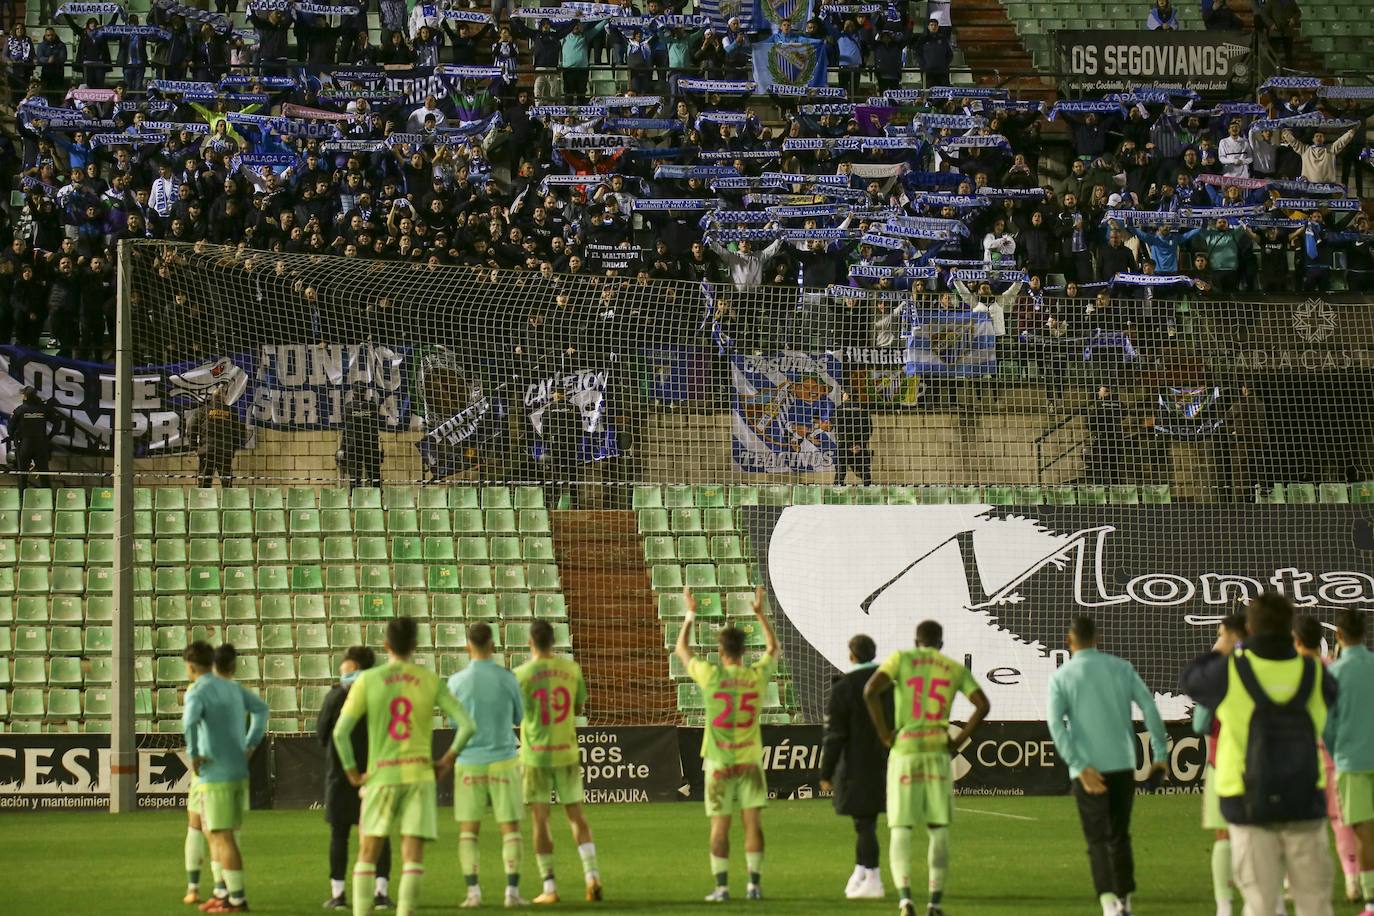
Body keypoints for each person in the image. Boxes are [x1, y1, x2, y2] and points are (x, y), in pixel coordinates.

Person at [1180, 593, 1338, 916]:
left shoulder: (1229, 672)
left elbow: (1191, 681)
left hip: (1247, 800)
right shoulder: (1317, 674)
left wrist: (1224, 647)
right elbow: (1334, 703)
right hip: (1304, 800)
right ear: (1289, 628)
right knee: (1315, 904)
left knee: (1260, 905)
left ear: (1250, 627)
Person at [333, 617, 477, 916]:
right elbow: (466, 725)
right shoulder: (429, 680)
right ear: (414, 645)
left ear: (386, 646)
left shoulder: (367, 681)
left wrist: (352, 772)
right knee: (412, 857)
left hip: (380, 777)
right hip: (419, 777)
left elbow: (339, 732)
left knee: (367, 853)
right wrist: (446, 761)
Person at [863, 620, 990, 916]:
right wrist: (957, 740)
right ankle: (934, 902)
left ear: (915, 641)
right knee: (938, 828)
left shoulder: (901, 659)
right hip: (936, 750)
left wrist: (884, 734)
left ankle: (905, 899)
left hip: (905, 750)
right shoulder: (953, 667)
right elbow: (982, 705)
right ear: (941, 644)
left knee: (901, 828)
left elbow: (870, 691)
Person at [1048, 616, 1168, 916]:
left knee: (1096, 839)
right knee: (1119, 834)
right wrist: (1160, 755)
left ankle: (1108, 904)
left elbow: (1056, 726)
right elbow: (1150, 708)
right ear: (1097, 638)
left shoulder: (1060, 677)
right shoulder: (1120, 668)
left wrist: (1078, 764)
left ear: (1069, 641)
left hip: (1087, 770)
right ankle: (1125, 899)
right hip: (1122, 765)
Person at [676, 585, 779, 903]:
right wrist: (761, 614)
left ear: (721, 653)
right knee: (753, 824)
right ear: (744, 652)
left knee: (719, 827)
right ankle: (754, 885)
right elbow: (774, 649)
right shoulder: (755, 677)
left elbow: (682, 650)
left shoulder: (711, 675)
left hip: (720, 763)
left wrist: (690, 612)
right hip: (748, 761)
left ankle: (721, 888)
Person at [514, 620, 602, 904]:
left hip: (536, 753)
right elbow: (577, 707)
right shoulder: (571, 669)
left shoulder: (522, 674)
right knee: (576, 815)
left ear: (530, 642)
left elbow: (517, 713)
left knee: (541, 819)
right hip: (566, 749)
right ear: (554, 641)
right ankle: (592, 876)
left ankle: (550, 887)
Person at [181, 641, 269, 913]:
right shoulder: (233, 688)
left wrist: (194, 753)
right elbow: (262, 710)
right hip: (238, 772)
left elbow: (189, 722)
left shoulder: (197, 690)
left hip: (214, 774)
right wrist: (250, 744)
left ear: (192, 667)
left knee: (220, 836)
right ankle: (224, 894)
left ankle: (237, 899)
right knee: (222, 833)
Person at [447, 621, 527, 909]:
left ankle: (473, 893)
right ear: (492, 645)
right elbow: (519, 717)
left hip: (469, 762)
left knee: (469, 831)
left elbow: (454, 723)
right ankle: (512, 892)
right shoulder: (508, 679)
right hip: (504, 759)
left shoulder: (455, 682)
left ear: (468, 645)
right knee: (510, 829)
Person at [316, 645, 393, 911]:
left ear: (354, 667)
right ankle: (381, 892)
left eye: (345, 666)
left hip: (341, 775)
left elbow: (323, 733)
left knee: (339, 835)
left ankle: (338, 894)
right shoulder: (380, 695)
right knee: (378, 833)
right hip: (374, 774)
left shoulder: (336, 697)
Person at [1294, 616, 1362, 904]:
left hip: (1298, 759)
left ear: (1296, 641)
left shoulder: (1289, 673)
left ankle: (1294, 882)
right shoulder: (1332, 671)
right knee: (1340, 821)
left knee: (1298, 823)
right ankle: (1352, 878)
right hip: (1330, 755)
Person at [819, 634, 892, 900]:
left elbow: (835, 735)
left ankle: (873, 878)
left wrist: (825, 773)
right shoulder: (889, 685)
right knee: (865, 821)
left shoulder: (844, 688)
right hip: (886, 763)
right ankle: (862, 870)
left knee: (864, 823)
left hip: (856, 765)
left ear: (851, 656)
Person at [1191, 614, 1248, 916]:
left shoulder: (1218, 674)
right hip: (1264, 763)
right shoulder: (1263, 666)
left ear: (1227, 633)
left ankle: (1224, 906)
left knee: (1224, 835)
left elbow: (1200, 723)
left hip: (1222, 762)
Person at [1325, 608, 1374, 915]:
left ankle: (1370, 901)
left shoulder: (1335, 673)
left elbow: (1327, 725)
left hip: (1351, 762)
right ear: (1365, 635)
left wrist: (1336, 751)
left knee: (1363, 832)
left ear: (1339, 636)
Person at [7, 385, 68, 496]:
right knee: (44, 475)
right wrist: (49, 437)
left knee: (22, 476)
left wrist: (14, 437)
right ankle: (47, 501)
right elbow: (57, 422)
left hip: (25, 445)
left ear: (25, 396)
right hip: (41, 445)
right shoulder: (43, 408)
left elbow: (10, 428)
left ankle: (22, 502)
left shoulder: (20, 410)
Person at [186, 388, 245, 489]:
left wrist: (195, 447)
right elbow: (239, 432)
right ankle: (227, 503)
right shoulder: (231, 412)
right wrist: (233, 448)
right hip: (225, 452)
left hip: (207, 451)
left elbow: (191, 429)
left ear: (211, 398)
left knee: (205, 481)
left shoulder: (202, 410)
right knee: (226, 481)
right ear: (223, 397)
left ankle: (204, 503)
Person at [338, 383, 383, 490]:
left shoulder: (348, 406)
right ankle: (377, 501)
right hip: (370, 445)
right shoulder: (372, 406)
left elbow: (346, 427)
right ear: (365, 393)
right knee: (374, 476)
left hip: (353, 445)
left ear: (353, 393)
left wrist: (342, 447)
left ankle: (354, 500)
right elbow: (377, 424)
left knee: (354, 477)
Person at [832, 393, 874, 487]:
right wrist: (859, 444)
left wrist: (849, 445)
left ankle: (836, 494)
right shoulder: (864, 409)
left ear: (846, 396)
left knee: (841, 472)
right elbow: (869, 429)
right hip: (860, 447)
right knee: (864, 471)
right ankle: (869, 494)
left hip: (844, 446)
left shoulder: (839, 409)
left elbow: (839, 429)